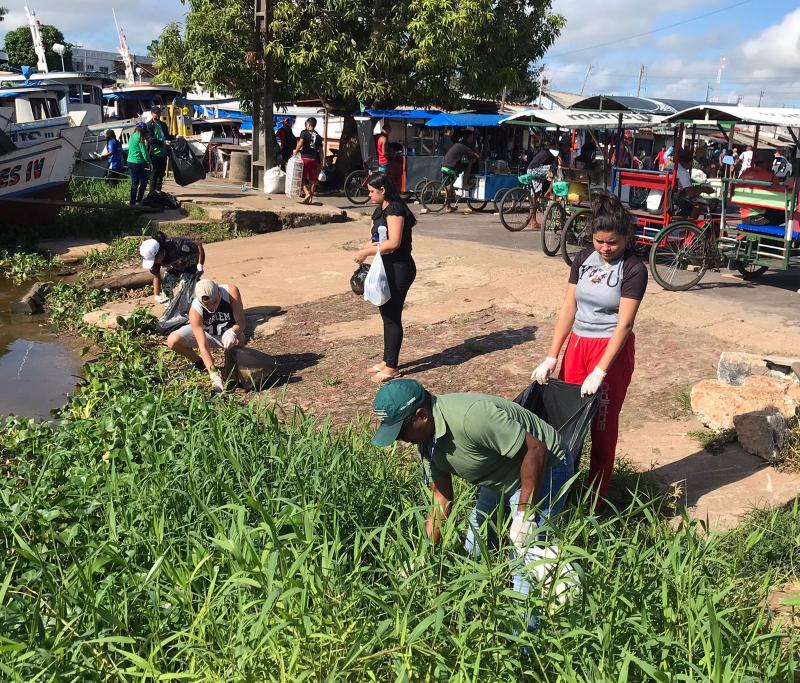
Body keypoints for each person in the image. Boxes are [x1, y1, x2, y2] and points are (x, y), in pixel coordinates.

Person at [370, 378, 573, 627]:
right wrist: (424, 554)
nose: (400, 440)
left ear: (421, 416)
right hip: (498, 474)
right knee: (475, 543)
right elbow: (441, 498)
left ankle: (524, 638)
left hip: (545, 467)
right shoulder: (426, 441)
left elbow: (536, 451)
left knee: (524, 558)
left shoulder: (471, 418)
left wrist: (524, 513)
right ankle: (480, 612)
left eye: (401, 432)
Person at [531, 190, 647, 501]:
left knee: (602, 428)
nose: (605, 248)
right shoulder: (583, 260)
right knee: (567, 423)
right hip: (578, 346)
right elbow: (568, 308)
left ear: (626, 237)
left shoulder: (633, 269)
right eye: (599, 241)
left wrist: (600, 370)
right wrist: (552, 356)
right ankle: (561, 491)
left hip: (610, 351)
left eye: (613, 242)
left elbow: (624, 325)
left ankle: (595, 499)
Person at [353, 172, 416, 382]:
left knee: (391, 316)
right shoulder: (379, 209)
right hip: (385, 267)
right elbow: (375, 238)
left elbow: (394, 243)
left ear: (383, 190)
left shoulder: (395, 209)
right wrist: (365, 246)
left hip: (399, 268)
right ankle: (387, 360)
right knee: (386, 314)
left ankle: (392, 367)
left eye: (372, 191)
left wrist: (366, 252)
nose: (369, 195)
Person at [166, 278, 246, 393]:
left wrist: (233, 332)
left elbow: (241, 323)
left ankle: (232, 367)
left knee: (239, 340)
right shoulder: (195, 310)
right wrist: (214, 376)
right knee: (173, 340)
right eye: (207, 305)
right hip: (207, 333)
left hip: (227, 333)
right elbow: (202, 345)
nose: (212, 307)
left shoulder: (231, 292)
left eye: (215, 302)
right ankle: (200, 362)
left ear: (218, 291)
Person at [139, 231, 206, 302]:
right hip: (175, 265)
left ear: (160, 253)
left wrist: (200, 265)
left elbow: (198, 245)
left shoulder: (179, 245)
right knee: (166, 285)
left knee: (184, 284)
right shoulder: (154, 261)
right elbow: (156, 276)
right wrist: (156, 295)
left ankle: (190, 302)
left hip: (190, 261)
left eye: (154, 260)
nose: (154, 262)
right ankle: (170, 307)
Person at [440, 130, 480, 213]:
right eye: (471, 137)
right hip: (451, 167)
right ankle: (464, 184)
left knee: (450, 184)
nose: (472, 138)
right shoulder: (464, 145)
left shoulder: (459, 143)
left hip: (444, 165)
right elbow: (476, 156)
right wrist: (479, 155)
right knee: (468, 165)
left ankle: (450, 202)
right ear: (468, 137)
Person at [293, 117, 323, 205]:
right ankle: (310, 200)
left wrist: (295, 152)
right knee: (312, 180)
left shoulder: (304, 133)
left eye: (306, 124)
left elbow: (300, 143)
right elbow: (321, 151)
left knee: (302, 178)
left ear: (309, 124)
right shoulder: (318, 136)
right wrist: (321, 162)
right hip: (314, 160)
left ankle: (307, 193)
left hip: (305, 159)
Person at [147, 106, 172, 195]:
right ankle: (151, 194)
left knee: (160, 175)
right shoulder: (149, 125)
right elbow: (150, 140)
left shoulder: (163, 125)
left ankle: (158, 193)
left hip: (163, 154)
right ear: (152, 114)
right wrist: (162, 142)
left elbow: (167, 136)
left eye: (159, 113)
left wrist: (175, 137)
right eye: (156, 113)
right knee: (154, 175)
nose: (158, 114)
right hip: (154, 154)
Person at [126, 121, 150, 206]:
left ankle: (132, 202)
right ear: (142, 130)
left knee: (134, 182)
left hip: (130, 162)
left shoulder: (132, 136)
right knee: (144, 180)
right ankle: (139, 200)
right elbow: (144, 152)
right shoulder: (140, 138)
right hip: (137, 163)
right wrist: (149, 162)